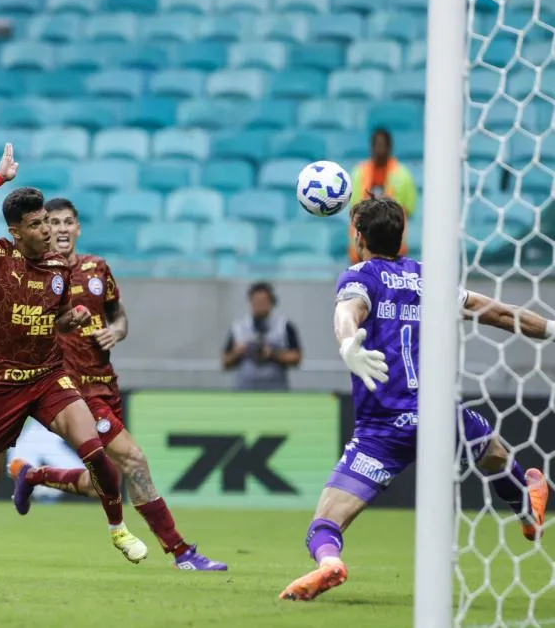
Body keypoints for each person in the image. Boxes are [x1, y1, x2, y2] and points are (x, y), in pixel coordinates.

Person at [279, 198, 548, 602]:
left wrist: (349, 343)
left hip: (381, 429)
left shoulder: (360, 276)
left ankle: (329, 563)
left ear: (358, 236)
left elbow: (347, 312)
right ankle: (525, 502)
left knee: (325, 525)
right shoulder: (428, 279)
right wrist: (551, 329)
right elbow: (496, 311)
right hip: (439, 416)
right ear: (402, 237)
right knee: (493, 451)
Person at [0, 197, 228, 571]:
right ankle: (181, 552)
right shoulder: (28, 269)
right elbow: (9, 326)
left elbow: (120, 319)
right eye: (53, 221)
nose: (61, 228)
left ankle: (34, 475)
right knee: (133, 460)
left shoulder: (97, 269)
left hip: (105, 384)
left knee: (103, 477)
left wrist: (115, 332)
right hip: (68, 387)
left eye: (68, 222)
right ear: (40, 228)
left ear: (78, 228)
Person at [0, 143, 148, 563]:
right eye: (36, 224)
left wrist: (75, 318)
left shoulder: (58, 267)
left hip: (48, 377)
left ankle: (118, 529)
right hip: (2, 386)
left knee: (97, 455)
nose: (48, 230)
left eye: (48, 221)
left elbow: (59, 319)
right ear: (16, 231)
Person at [348, 128, 418, 264]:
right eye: (377, 145)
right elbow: (354, 208)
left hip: (392, 251)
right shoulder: (359, 173)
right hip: (362, 250)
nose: (380, 150)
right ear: (371, 147)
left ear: (390, 147)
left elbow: (409, 209)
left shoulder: (403, 175)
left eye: (383, 146)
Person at [222, 282, 302, 391]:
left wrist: (273, 354)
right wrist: (238, 352)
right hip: (245, 389)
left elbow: (296, 357)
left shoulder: (284, 326)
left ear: (272, 302)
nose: (259, 306)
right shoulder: (238, 328)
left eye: (263, 302)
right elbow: (225, 361)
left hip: (276, 389)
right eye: (256, 302)